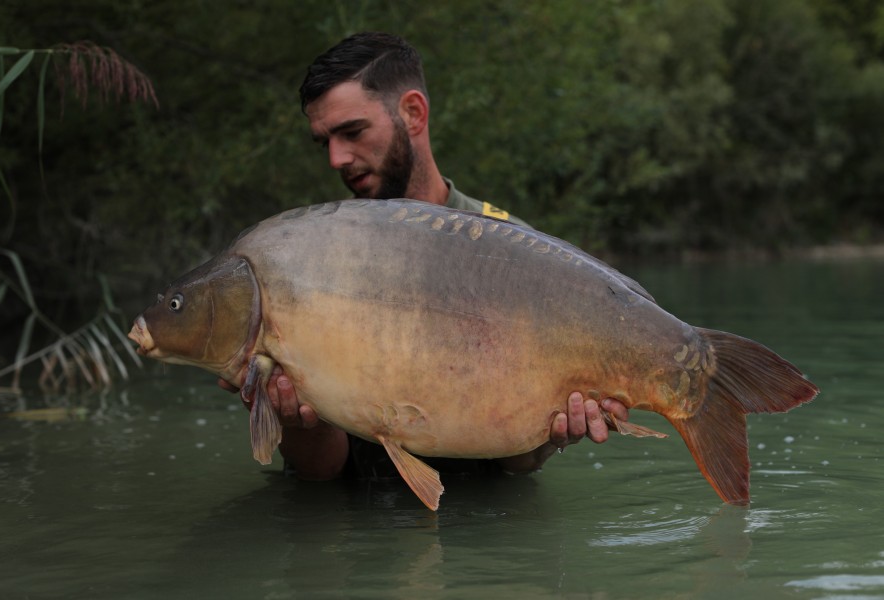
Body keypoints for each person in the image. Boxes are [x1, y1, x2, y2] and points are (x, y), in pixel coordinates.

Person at [228, 32, 629, 482]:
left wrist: (552, 433)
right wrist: (289, 415)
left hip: (486, 531)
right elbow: (324, 475)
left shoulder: (517, 251)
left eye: (353, 132)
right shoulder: (318, 260)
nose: (337, 159)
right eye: (325, 143)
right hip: (358, 524)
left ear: (413, 113)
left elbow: (516, 468)